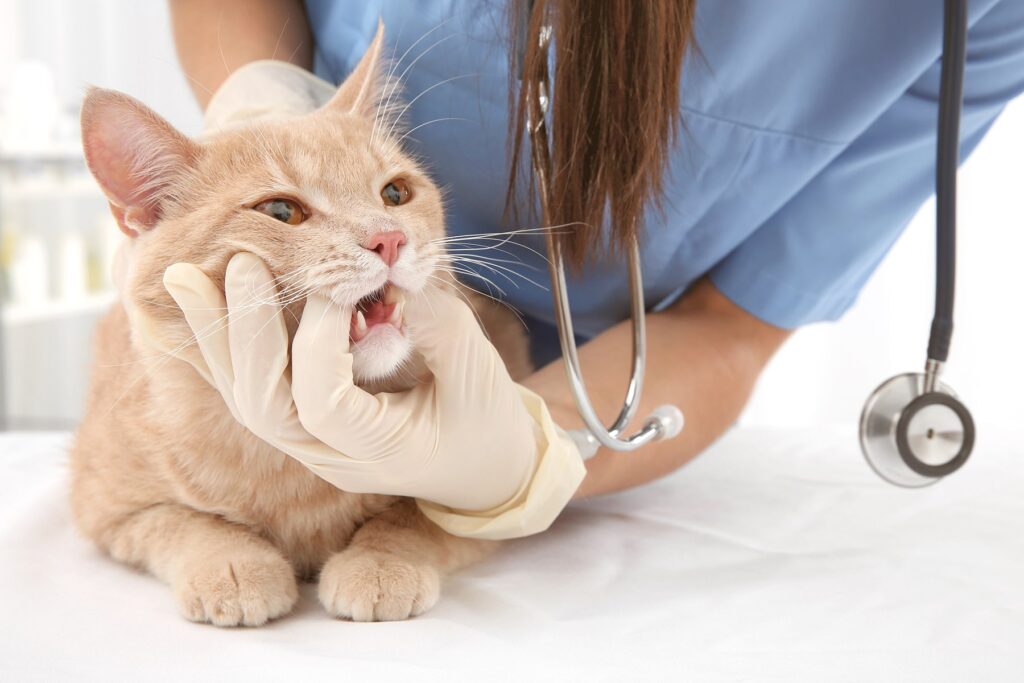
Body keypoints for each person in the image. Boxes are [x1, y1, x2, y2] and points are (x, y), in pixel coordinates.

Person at [164, 0, 1024, 537]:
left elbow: (734, 326)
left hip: (601, 379)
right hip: (305, 279)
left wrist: (532, 453)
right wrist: (261, 104)